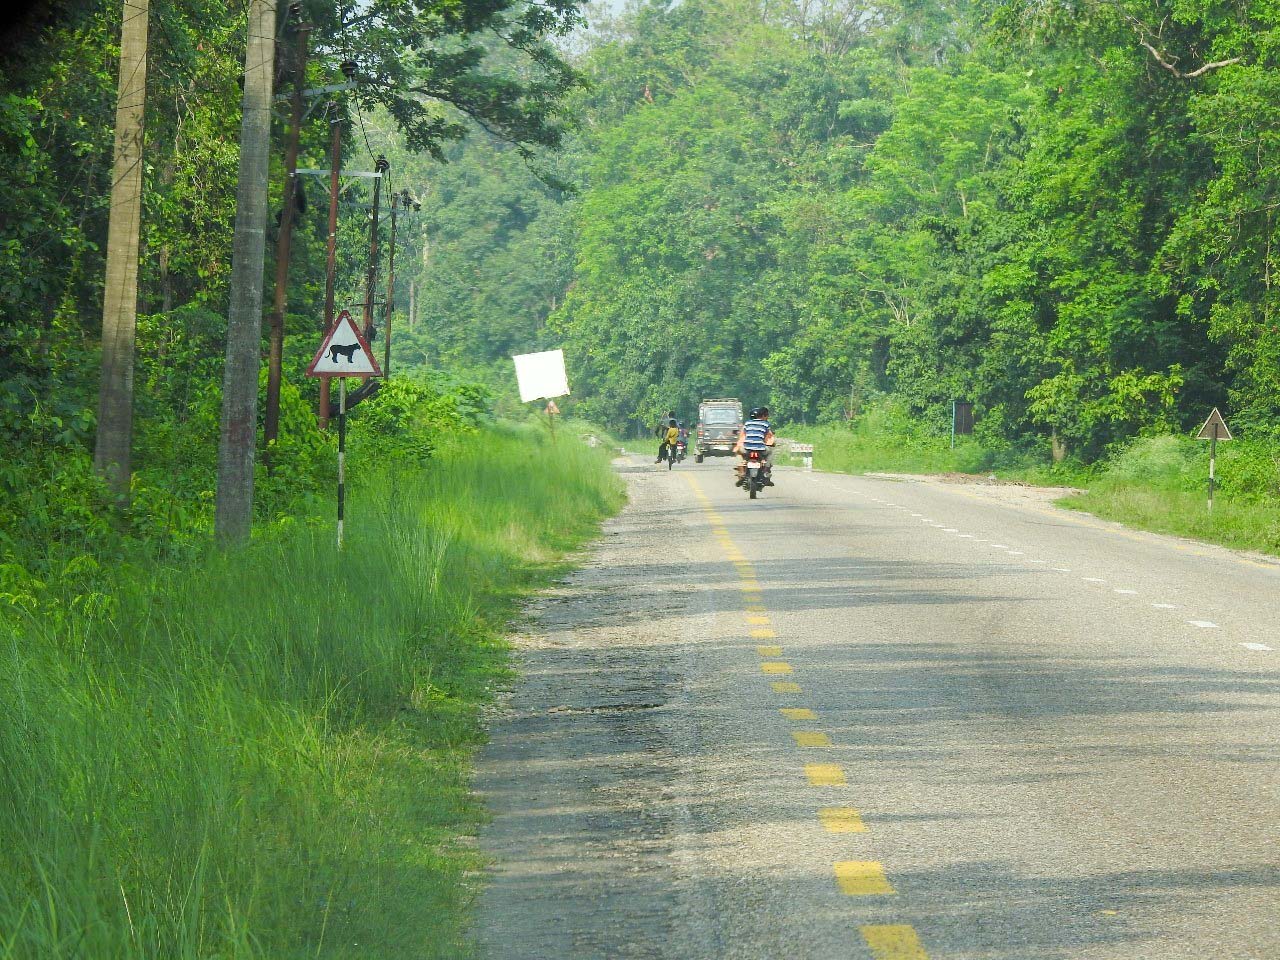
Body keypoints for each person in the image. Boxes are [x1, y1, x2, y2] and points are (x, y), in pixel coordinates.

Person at [733, 406, 776, 485]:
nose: (767, 418)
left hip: (747, 448)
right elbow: (769, 437)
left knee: (738, 452)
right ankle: (766, 471)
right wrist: (772, 443)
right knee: (770, 453)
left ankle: (741, 472)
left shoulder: (747, 423)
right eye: (766, 416)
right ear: (763, 416)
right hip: (760, 449)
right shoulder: (766, 424)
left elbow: (743, 435)